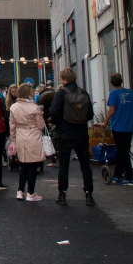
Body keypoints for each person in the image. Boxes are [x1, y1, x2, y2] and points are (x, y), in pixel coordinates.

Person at [50, 68, 95, 206]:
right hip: (81, 133)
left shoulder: (61, 93)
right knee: (85, 165)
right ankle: (89, 195)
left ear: (64, 79)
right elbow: (90, 115)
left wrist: (58, 124)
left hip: (65, 133)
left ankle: (62, 194)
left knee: (64, 164)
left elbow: (53, 111)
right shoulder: (83, 92)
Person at [9, 83, 46, 201]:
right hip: (33, 135)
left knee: (23, 164)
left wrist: (13, 140)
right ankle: (31, 192)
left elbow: (12, 125)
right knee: (32, 165)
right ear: (28, 93)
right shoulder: (34, 107)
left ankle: (20, 191)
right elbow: (41, 125)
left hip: (20, 135)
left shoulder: (14, 107)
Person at [105, 73, 133, 185]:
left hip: (118, 126)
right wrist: (131, 118)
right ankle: (120, 174)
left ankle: (126, 176)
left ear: (111, 82)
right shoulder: (130, 92)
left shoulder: (113, 94)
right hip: (129, 126)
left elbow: (112, 110)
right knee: (124, 149)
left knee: (122, 151)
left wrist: (105, 121)